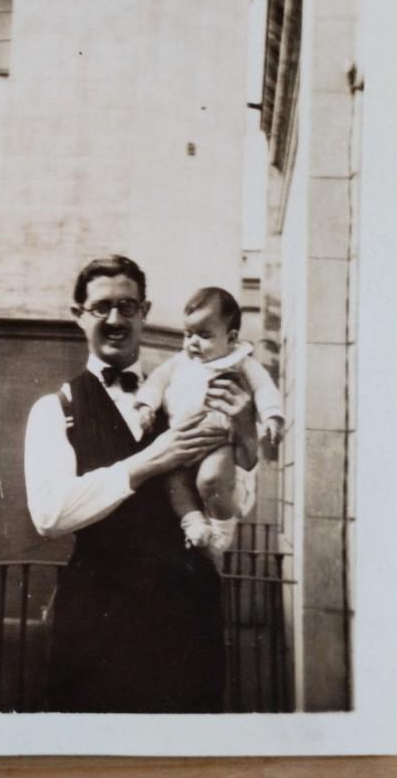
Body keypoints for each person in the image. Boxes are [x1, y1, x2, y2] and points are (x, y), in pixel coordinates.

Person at [24, 255, 257, 713]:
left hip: (185, 618)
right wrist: (151, 460)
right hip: (98, 622)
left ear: (144, 312)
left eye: (127, 307)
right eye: (101, 307)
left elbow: (235, 506)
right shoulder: (56, 409)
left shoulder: (184, 395)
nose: (115, 320)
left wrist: (244, 434)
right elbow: (50, 515)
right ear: (79, 317)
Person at [134, 286, 283, 555]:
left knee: (210, 480)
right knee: (173, 483)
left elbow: (264, 388)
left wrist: (272, 416)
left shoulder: (240, 362)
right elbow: (155, 382)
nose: (192, 343)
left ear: (231, 337)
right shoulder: (179, 362)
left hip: (218, 441)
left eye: (204, 336)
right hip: (181, 440)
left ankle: (221, 531)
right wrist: (145, 406)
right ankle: (194, 524)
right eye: (188, 334)